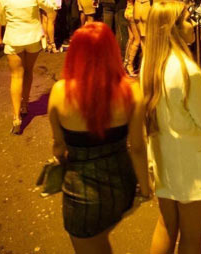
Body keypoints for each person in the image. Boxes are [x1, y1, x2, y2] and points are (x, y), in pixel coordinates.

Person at [47, 22, 151, 253]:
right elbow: (137, 147)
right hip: (121, 187)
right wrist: (145, 188)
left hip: (81, 195)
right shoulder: (131, 91)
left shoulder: (60, 92)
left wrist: (59, 158)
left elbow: (58, 146)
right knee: (102, 238)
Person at [141, 1, 201, 254]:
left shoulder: (150, 63)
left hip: (163, 157)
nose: (193, 24)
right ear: (173, 29)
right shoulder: (187, 70)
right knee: (191, 237)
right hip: (192, 164)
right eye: (188, 20)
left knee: (166, 225)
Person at [0, 0, 55, 134]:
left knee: (16, 76)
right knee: (28, 71)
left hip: (14, 38)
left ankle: (16, 117)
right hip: (33, 37)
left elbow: (2, 20)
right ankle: (25, 104)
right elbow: (50, 7)